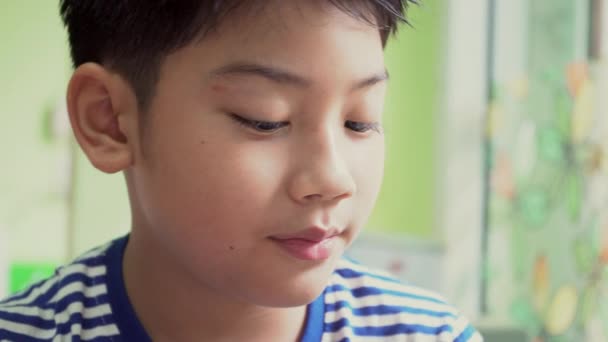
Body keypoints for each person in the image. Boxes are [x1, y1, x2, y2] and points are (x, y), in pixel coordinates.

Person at [0, 1, 483, 341]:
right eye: (265, 119)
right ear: (110, 121)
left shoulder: (430, 335)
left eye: (360, 121)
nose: (336, 180)